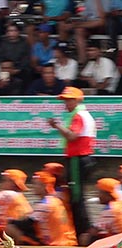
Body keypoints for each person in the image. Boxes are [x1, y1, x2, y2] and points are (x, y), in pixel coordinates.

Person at [47, 86, 95, 238]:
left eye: (69, 100)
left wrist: (56, 125)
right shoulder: (83, 114)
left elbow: (72, 136)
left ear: (77, 100)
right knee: (77, 196)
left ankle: (83, 232)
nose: (66, 104)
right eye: (65, 100)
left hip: (77, 159)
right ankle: (83, 230)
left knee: (76, 197)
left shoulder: (79, 115)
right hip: (80, 158)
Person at [6, 171, 77, 246]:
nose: (33, 186)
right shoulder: (56, 200)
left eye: (36, 184)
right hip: (66, 241)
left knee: (10, 228)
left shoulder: (45, 204)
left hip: (53, 243)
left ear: (45, 186)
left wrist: (9, 221)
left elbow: (27, 223)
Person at [81, 178, 122, 245]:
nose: (98, 196)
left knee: (86, 237)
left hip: (117, 245)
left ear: (108, 194)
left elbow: (94, 231)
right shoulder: (119, 204)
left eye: (100, 192)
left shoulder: (110, 209)